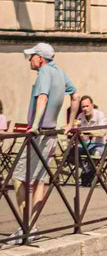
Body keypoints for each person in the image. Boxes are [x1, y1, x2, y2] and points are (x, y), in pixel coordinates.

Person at [9, 42, 79, 241]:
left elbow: (42, 98)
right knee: (40, 180)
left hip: (39, 134)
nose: (29, 60)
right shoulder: (60, 72)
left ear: (40, 58)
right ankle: (31, 226)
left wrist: (35, 125)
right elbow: (76, 95)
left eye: (31, 56)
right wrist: (70, 123)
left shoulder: (44, 72)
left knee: (18, 178)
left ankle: (26, 227)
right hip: (51, 134)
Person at [74, 95, 107, 186]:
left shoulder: (100, 115)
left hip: (98, 144)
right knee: (72, 152)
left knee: (95, 154)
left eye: (87, 106)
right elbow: (77, 131)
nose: (85, 109)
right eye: (83, 107)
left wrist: (88, 132)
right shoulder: (80, 116)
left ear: (92, 106)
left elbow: (102, 132)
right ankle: (86, 170)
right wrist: (75, 128)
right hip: (84, 144)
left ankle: (88, 173)